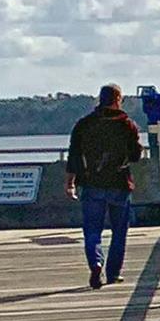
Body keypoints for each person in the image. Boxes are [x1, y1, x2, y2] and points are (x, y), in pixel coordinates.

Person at [64, 84, 144, 289]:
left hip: (91, 183)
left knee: (92, 230)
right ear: (118, 99)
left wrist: (70, 182)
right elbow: (136, 155)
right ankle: (113, 273)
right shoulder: (126, 124)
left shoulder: (84, 124)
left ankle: (96, 263)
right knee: (119, 231)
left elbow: (74, 155)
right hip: (119, 183)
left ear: (100, 99)